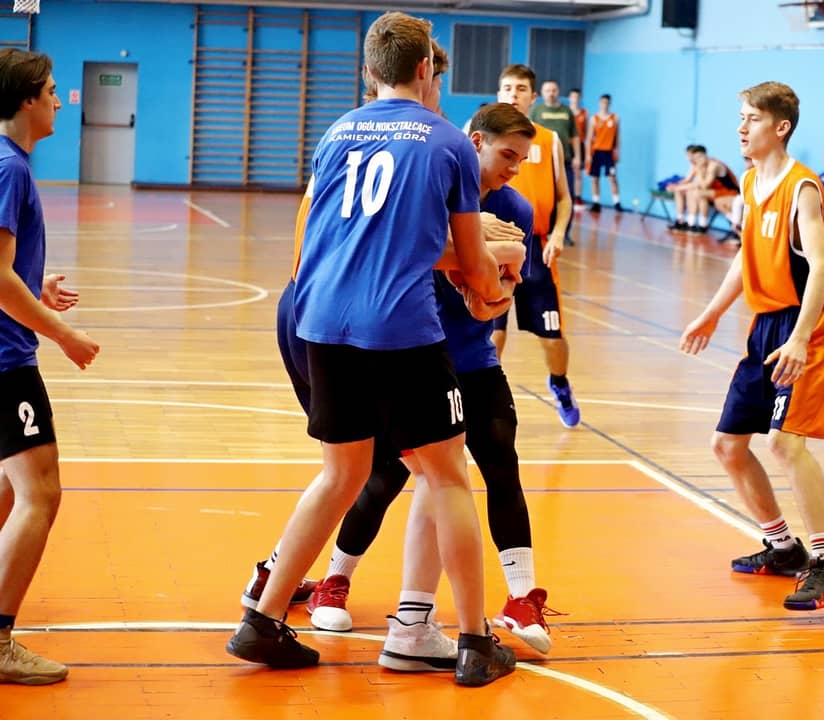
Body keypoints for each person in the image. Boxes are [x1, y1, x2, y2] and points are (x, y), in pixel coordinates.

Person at [224, 12, 516, 687]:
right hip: (399, 329)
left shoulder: (336, 132)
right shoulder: (447, 141)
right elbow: (472, 262)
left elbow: (336, 235)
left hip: (321, 320)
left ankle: (261, 619)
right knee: (447, 475)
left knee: (341, 474)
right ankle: (475, 642)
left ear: (367, 71)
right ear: (425, 68)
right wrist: (496, 288)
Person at [303, 103, 559, 664]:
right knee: (384, 476)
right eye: (507, 155)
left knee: (500, 457)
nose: (515, 168)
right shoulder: (428, 186)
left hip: (472, 357)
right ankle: (334, 580)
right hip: (412, 354)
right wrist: (473, 255)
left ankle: (522, 598)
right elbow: (410, 255)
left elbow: (498, 293)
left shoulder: (515, 207)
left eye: (522, 159)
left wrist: (491, 284)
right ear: (476, 143)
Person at [679, 81, 824, 612]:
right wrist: (713, 311)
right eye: (740, 117)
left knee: (784, 444)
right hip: (765, 327)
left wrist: (800, 338)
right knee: (727, 445)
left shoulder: (802, 188)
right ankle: (783, 548)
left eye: (751, 118)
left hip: (807, 328)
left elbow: (821, 269)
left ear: (780, 127)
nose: (741, 127)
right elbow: (746, 255)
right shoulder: (753, 181)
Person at [0, 48, 100, 686]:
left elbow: (7, 272)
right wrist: (62, 334)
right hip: (6, 360)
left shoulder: (8, 162)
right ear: (27, 98)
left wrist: (35, 285)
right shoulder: (9, 169)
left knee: (11, 488)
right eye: (53, 90)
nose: (60, 100)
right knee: (41, 492)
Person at [491, 64, 581, 429]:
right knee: (492, 334)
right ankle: (486, 397)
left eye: (521, 89)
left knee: (552, 338)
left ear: (532, 97)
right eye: (508, 88)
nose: (513, 94)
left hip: (536, 251)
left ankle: (559, 383)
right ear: (499, 93)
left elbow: (564, 198)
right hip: (492, 247)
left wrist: (558, 233)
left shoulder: (548, 140)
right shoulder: (477, 135)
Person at [530, 80, 580, 246]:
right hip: (542, 163)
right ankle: (543, 230)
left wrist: (578, 156)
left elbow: (574, 136)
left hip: (565, 161)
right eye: (547, 90)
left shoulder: (567, 111)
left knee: (566, 196)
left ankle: (564, 233)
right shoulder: (536, 111)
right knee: (545, 198)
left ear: (558, 92)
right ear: (542, 93)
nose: (551, 93)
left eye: (554, 90)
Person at [585, 94, 622, 213]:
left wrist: (617, 151)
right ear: (599, 103)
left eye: (606, 102)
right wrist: (588, 155)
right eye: (602, 102)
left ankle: (617, 203)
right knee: (595, 178)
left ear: (609, 104)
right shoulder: (594, 119)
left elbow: (618, 136)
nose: (604, 105)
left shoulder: (615, 118)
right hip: (596, 151)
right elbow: (589, 138)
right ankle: (596, 202)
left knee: (612, 178)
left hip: (609, 152)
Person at [568, 88, 588, 208]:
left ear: (580, 98)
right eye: (573, 96)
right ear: (570, 98)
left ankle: (577, 197)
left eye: (577, 97)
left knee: (578, 173)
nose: (575, 99)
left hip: (579, 145)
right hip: (567, 144)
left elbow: (586, 132)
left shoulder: (584, 113)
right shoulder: (566, 112)